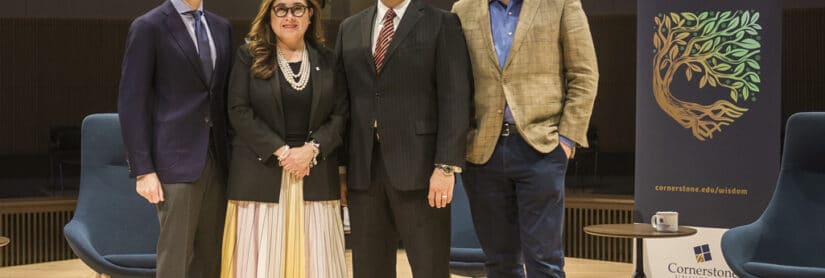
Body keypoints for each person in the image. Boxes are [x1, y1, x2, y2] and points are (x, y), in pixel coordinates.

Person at [451, 0, 599, 276]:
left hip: (541, 148)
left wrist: (566, 140)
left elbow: (584, 74)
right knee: (498, 263)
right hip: (484, 152)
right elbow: (455, 80)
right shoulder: (463, 9)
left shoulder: (561, 4)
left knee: (544, 262)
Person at [334, 0, 472, 276]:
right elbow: (341, 103)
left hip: (421, 170)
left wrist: (445, 166)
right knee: (369, 269)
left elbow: (456, 97)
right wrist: (341, 170)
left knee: (429, 268)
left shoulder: (442, 23)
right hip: (364, 171)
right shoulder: (349, 27)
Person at [219, 0, 348, 276]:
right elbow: (238, 111)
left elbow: (340, 116)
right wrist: (283, 151)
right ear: (270, 14)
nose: (289, 16)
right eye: (281, 8)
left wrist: (311, 150)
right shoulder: (248, 56)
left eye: (298, 8)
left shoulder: (328, 59)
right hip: (260, 179)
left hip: (315, 177)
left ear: (311, 14)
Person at [117, 0, 233, 277]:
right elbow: (132, 102)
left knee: (210, 258)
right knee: (175, 258)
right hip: (175, 163)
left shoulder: (222, 27)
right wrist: (143, 169)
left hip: (218, 161)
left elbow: (224, 96)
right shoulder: (148, 26)